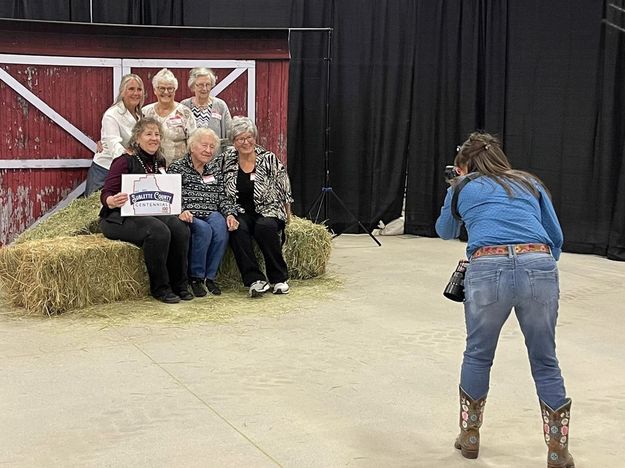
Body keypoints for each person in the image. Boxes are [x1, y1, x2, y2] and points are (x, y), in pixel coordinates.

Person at [435, 132, 573, 468]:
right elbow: (555, 238)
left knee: (478, 354)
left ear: (464, 165)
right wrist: (535, 265)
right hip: (538, 265)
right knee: (545, 359)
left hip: (487, 269)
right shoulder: (529, 182)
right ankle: (557, 450)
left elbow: (445, 231)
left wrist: (453, 189)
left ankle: (469, 436)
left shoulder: (463, 187)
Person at [99, 117, 193, 304]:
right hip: (118, 218)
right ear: (137, 138)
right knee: (158, 231)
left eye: (157, 134)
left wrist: (178, 210)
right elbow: (106, 192)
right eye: (148, 134)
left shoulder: (160, 161)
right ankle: (160, 288)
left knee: (179, 227)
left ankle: (180, 284)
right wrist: (111, 200)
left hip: (149, 213)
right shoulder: (124, 161)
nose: (154, 138)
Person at [222, 116, 293, 297]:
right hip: (241, 210)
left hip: (269, 209)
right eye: (240, 139)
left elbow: (284, 187)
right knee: (237, 229)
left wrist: (288, 215)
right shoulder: (226, 160)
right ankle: (255, 280)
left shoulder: (268, 158)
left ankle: (279, 278)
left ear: (255, 137)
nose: (246, 142)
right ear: (233, 142)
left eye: (249, 137)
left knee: (264, 227)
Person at [167, 128, 238, 297]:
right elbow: (170, 195)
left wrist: (229, 214)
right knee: (204, 230)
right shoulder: (177, 167)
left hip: (211, 212)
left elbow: (223, 196)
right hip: (188, 213)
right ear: (192, 147)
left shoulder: (214, 168)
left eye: (212, 147)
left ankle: (210, 277)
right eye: (204, 145)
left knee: (221, 228)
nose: (208, 150)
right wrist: (180, 210)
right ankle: (196, 277)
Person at [84, 74, 144, 196]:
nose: (136, 93)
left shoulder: (141, 115)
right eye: (131, 89)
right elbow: (114, 144)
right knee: (96, 212)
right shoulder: (112, 115)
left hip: (128, 171)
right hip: (105, 171)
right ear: (122, 92)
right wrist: (131, 159)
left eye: (139, 89)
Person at [142, 68, 196, 166]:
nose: (166, 92)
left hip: (179, 169)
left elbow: (193, 143)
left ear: (175, 90)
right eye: (162, 88)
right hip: (149, 167)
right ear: (155, 90)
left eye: (170, 88)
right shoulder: (145, 112)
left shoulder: (185, 113)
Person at [180, 67, 232, 141]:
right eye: (200, 85)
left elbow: (229, 132)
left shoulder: (220, 105)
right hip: (190, 152)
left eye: (208, 84)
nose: (204, 88)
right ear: (193, 86)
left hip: (215, 152)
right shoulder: (184, 105)